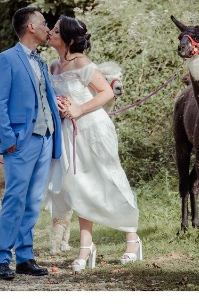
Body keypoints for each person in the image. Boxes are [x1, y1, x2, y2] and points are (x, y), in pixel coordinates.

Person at [45, 15, 142, 271]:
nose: (50, 32)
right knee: (78, 186)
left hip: (93, 128)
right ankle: (86, 246)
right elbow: (59, 97)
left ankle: (132, 237)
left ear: (69, 39)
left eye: (55, 30)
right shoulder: (54, 66)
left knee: (110, 178)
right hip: (69, 133)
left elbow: (107, 92)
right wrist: (60, 105)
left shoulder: (82, 62)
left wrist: (78, 109)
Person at [0, 6, 62, 280]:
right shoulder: (6, 59)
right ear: (30, 27)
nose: (47, 28)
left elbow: (44, 99)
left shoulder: (41, 62)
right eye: (43, 23)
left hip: (45, 138)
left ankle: (25, 257)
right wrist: (8, 139)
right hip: (20, 141)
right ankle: (1, 259)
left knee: (33, 201)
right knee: (14, 199)